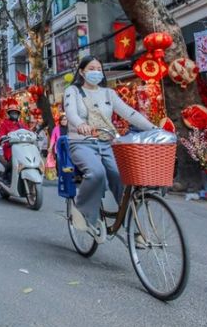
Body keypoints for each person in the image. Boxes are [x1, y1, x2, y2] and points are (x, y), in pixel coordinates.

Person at [64, 55, 155, 242]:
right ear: (82, 72)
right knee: (96, 173)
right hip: (81, 143)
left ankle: (133, 226)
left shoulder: (109, 93)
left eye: (99, 69)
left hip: (108, 143)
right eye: (91, 69)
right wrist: (81, 124)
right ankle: (82, 212)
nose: (96, 72)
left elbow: (129, 113)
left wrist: (153, 128)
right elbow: (71, 113)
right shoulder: (72, 91)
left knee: (123, 177)